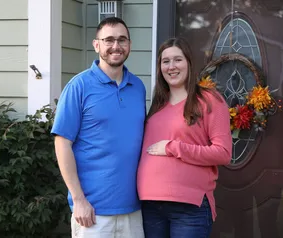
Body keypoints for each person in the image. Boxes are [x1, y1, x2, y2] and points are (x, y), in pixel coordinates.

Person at [51, 17, 146, 238]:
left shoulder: (138, 87)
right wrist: (78, 200)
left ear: (129, 45)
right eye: (109, 40)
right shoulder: (79, 86)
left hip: (133, 209)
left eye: (122, 40)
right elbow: (62, 143)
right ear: (97, 45)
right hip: (92, 212)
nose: (116, 46)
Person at [137, 37, 232, 238]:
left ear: (189, 62)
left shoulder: (209, 100)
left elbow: (223, 153)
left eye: (177, 60)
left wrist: (173, 147)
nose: (171, 66)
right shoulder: (157, 105)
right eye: (165, 61)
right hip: (150, 205)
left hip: (189, 207)